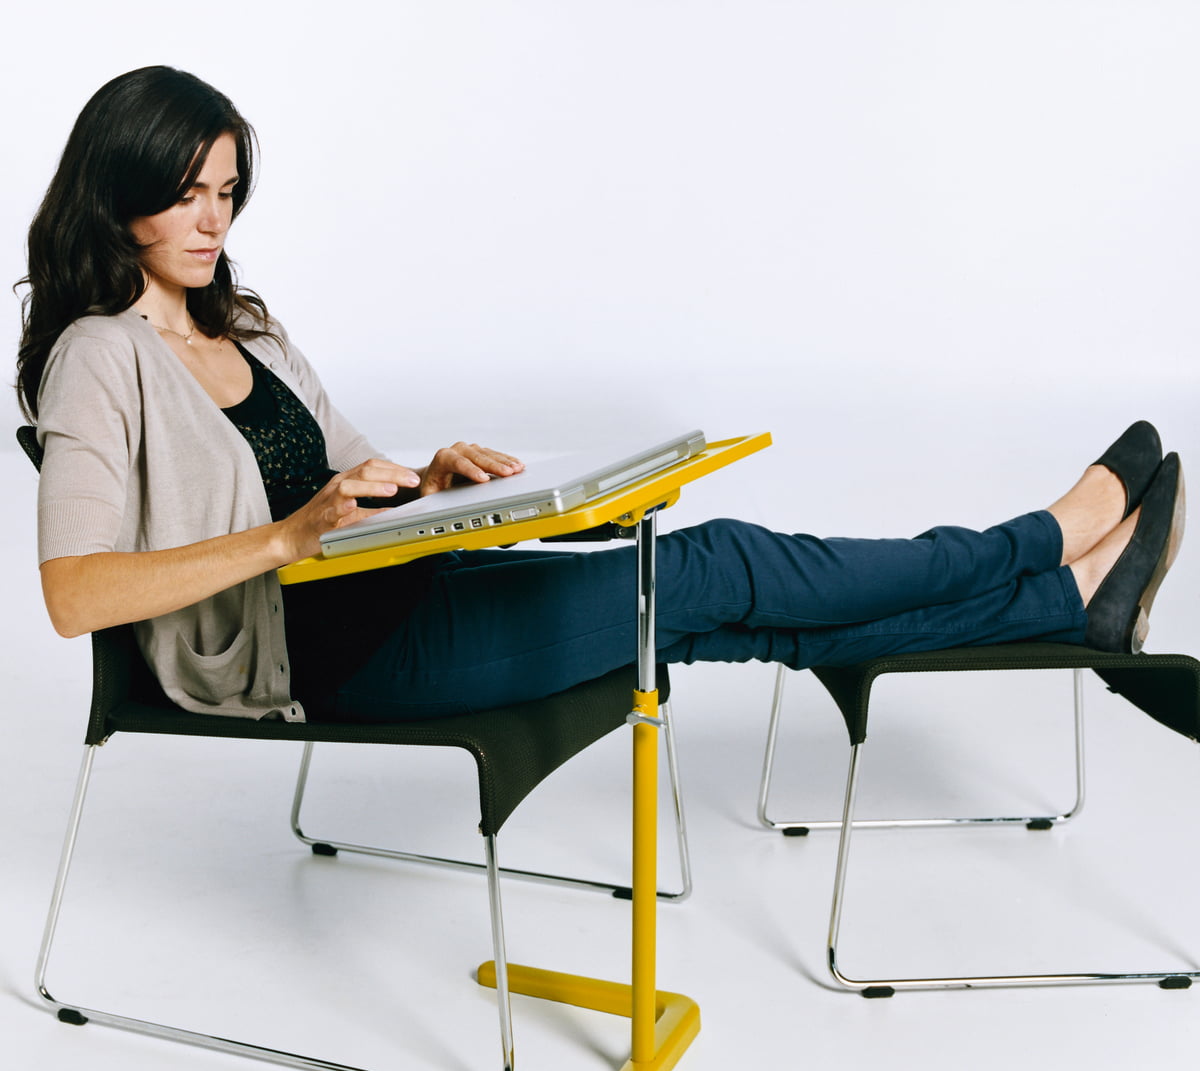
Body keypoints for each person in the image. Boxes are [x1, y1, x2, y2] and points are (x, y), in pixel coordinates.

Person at [17, 66, 1186, 724]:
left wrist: (424, 481)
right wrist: (283, 539)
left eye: (227, 191)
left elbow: (344, 486)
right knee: (711, 565)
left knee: (718, 610)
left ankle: (1063, 600)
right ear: (119, 192)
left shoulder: (251, 330)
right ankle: (1040, 541)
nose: (214, 219)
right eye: (187, 192)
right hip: (329, 660)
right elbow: (73, 595)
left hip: (406, 596)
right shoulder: (98, 356)